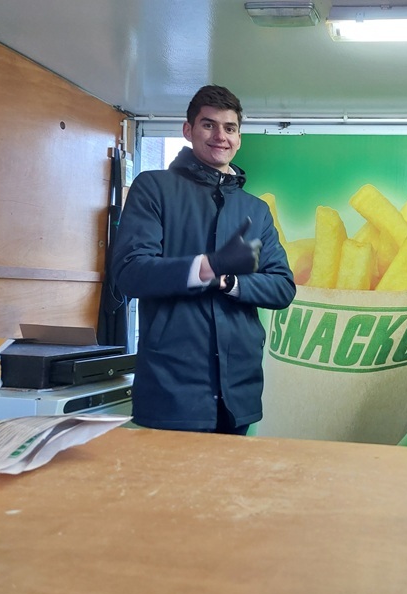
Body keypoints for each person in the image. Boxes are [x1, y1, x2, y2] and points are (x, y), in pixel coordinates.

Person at [111, 84, 295, 435]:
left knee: (231, 474)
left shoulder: (256, 209)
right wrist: (211, 265)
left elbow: (283, 287)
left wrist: (229, 281)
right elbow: (130, 272)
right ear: (188, 130)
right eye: (208, 125)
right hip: (171, 390)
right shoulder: (154, 188)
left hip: (238, 392)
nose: (220, 136)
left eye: (230, 128)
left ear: (239, 138)